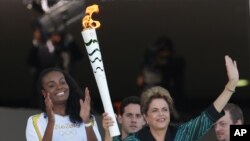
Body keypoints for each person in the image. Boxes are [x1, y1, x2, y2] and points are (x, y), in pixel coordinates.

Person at [104, 55, 239, 141]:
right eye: (155, 110)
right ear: (145, 117)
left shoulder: (183, 134)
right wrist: (108, 131)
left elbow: (209, 116)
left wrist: (230, 85)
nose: (161, 114)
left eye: (164, 109)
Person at [25, 67, 102, 141]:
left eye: (62, 82)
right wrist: (51, 121)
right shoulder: (36, 121)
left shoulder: (87, 117)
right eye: (51, 85)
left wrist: (86, 121)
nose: (59, 87)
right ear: (44, 93)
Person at [136, 36, 186, 116]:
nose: (163, 59)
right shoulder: (148, 62)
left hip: (166, 89)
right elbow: (141, 80)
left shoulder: (173, 64)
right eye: (161, 55)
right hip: (150, 89)